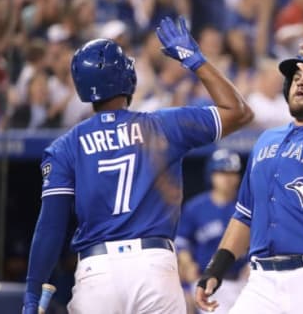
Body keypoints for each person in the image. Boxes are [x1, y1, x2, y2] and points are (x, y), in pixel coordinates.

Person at [22, 16, 253, 314]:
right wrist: (193, 59)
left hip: (97, 272)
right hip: (153, 267)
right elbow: (240, 112)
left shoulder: (65, 145)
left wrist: (31, 292)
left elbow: (50, 227)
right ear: (127, 78)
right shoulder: (162, 125)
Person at [195, 40, 303, 314]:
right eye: (295, 77)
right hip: (262, 281)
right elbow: (245, 215)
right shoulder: (267, 139)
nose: (300, 82)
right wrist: (215, 269)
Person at [176, 149, 249, 314]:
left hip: (241, 281)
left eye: (232, 173)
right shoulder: (195, 207)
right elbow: (182, 243)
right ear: (212, 175)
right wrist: (187, 263)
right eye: (222, 172)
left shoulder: (246, 206)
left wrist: (253, 264)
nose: (227, 178)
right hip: (206, 284)